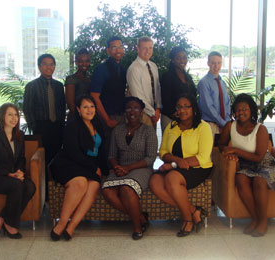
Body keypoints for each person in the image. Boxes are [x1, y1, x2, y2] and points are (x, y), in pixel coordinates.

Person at [149, 94, 213, 237]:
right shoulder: (172, 126)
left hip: (198, 168)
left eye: (186, 106)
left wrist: (172, 165)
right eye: (179, 107)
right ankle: (193, 210)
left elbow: (202, 157)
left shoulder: (203, 127)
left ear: (193, 108)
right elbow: (163, 151)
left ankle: (187, 219)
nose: (182, 110)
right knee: (154, 182)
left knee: (171, 178)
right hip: (176, 166)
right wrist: (176, 161)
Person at [49, 95, 108, 241]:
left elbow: (102, 151)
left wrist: (102, 169)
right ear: (78, 109)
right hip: (68, 163)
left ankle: (72, 226)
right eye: (85, 107)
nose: (89, 110)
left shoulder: (99, 123)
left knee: (94, 185)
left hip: (88, 165)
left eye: (92, 106)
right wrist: (94, 168)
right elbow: (73, 152)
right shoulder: (72, 125)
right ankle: (62, 224)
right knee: (81, 183)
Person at [101, 96, 158, 240]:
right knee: (107, 190)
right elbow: (112, 155)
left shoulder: (148, 130)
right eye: (128, 108)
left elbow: (151, 158)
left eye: (136, 108)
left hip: (141, 168)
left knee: (127, 188)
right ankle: (141, 217)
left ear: (141, 112)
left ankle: (137, 227)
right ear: (124, 112)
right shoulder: (117, 130)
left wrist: (128, 167)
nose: (132, 111)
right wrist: (117, 167)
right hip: (121, 168)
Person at [219, 93, 274, 237]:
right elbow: (221, 145)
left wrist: (236, 150)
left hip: (265, 165)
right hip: (244, 165)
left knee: (259, 181)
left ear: (251, 111)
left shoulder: (260, 129)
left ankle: (263, 221)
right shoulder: (230, 126)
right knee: (241, 179)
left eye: (244, 109)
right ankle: (255, 218)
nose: (240, 112)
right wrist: (228, 153)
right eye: (237, 110)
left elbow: (259, 157)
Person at [0, 103, 36, 239]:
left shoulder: (19, 135)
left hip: (11, 176)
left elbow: (21, 159)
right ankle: (11, 225)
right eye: (10, 115)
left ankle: (2, 218)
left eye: (16, 115)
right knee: (16, 185)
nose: (14, 118)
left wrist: (20, 172)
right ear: (2, 117)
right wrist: (9, 174)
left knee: (30, 186)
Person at [23, 54, 66, 181]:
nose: (49, 67)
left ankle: (54, 188)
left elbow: (62, 107)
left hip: (57, 127)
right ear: (39, 67)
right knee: (42, 159)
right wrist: (34, 127)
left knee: (56, 159)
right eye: (45, 64)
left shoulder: (58, 86)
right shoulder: (32, 86)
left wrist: (61, 124)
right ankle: (44, 193)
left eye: (52, 64)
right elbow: (28, 109)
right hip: (41, 127)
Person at [91, 36, 126, 129]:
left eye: (120, 47)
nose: (118, 50)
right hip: (106, 117)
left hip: (121, 116)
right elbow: (94, 96)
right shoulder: (101, 69)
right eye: (114, 47)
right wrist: (107, 120)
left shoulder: (123, 68)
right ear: (108, 50)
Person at [127, 36, 162, 128]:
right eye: (144, 48)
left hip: (154, 113)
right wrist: (152, 113)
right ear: (138, 49)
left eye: (150, 48)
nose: (148, 51)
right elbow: (137, 95)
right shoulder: (134, 68)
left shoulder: (153, 66)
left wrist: (158, 108)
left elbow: (158, 89)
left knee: (152, 141)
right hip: (141, 114)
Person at [161, 46, 197, 131]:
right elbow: (165, 99)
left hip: (186, 118)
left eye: (184, 58)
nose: (182, 61)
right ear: (173, 60)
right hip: (171, 118)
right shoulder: (167, 76)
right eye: (178, 58)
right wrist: (178, 115)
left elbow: (193, 96)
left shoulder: (188, 77)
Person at [197, 51, 230, 136]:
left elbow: (227, 103)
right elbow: (208, 107)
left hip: (225, 125)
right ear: (208, 63)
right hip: (210, 125)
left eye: (219, 63)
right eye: (213, 63)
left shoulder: (222, 83)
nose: (216, 66)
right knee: (210, 149)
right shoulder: (204, 82)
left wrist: (227, 122)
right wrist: (223, 123)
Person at [65, 48, 91, 121]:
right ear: (76, 62)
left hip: (89, 116)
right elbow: (70, 103)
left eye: (87, 61)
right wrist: (81, 118)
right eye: (81, 61)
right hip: (76, 118)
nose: (84, 64)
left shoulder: (91, 78)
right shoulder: (71, 79)